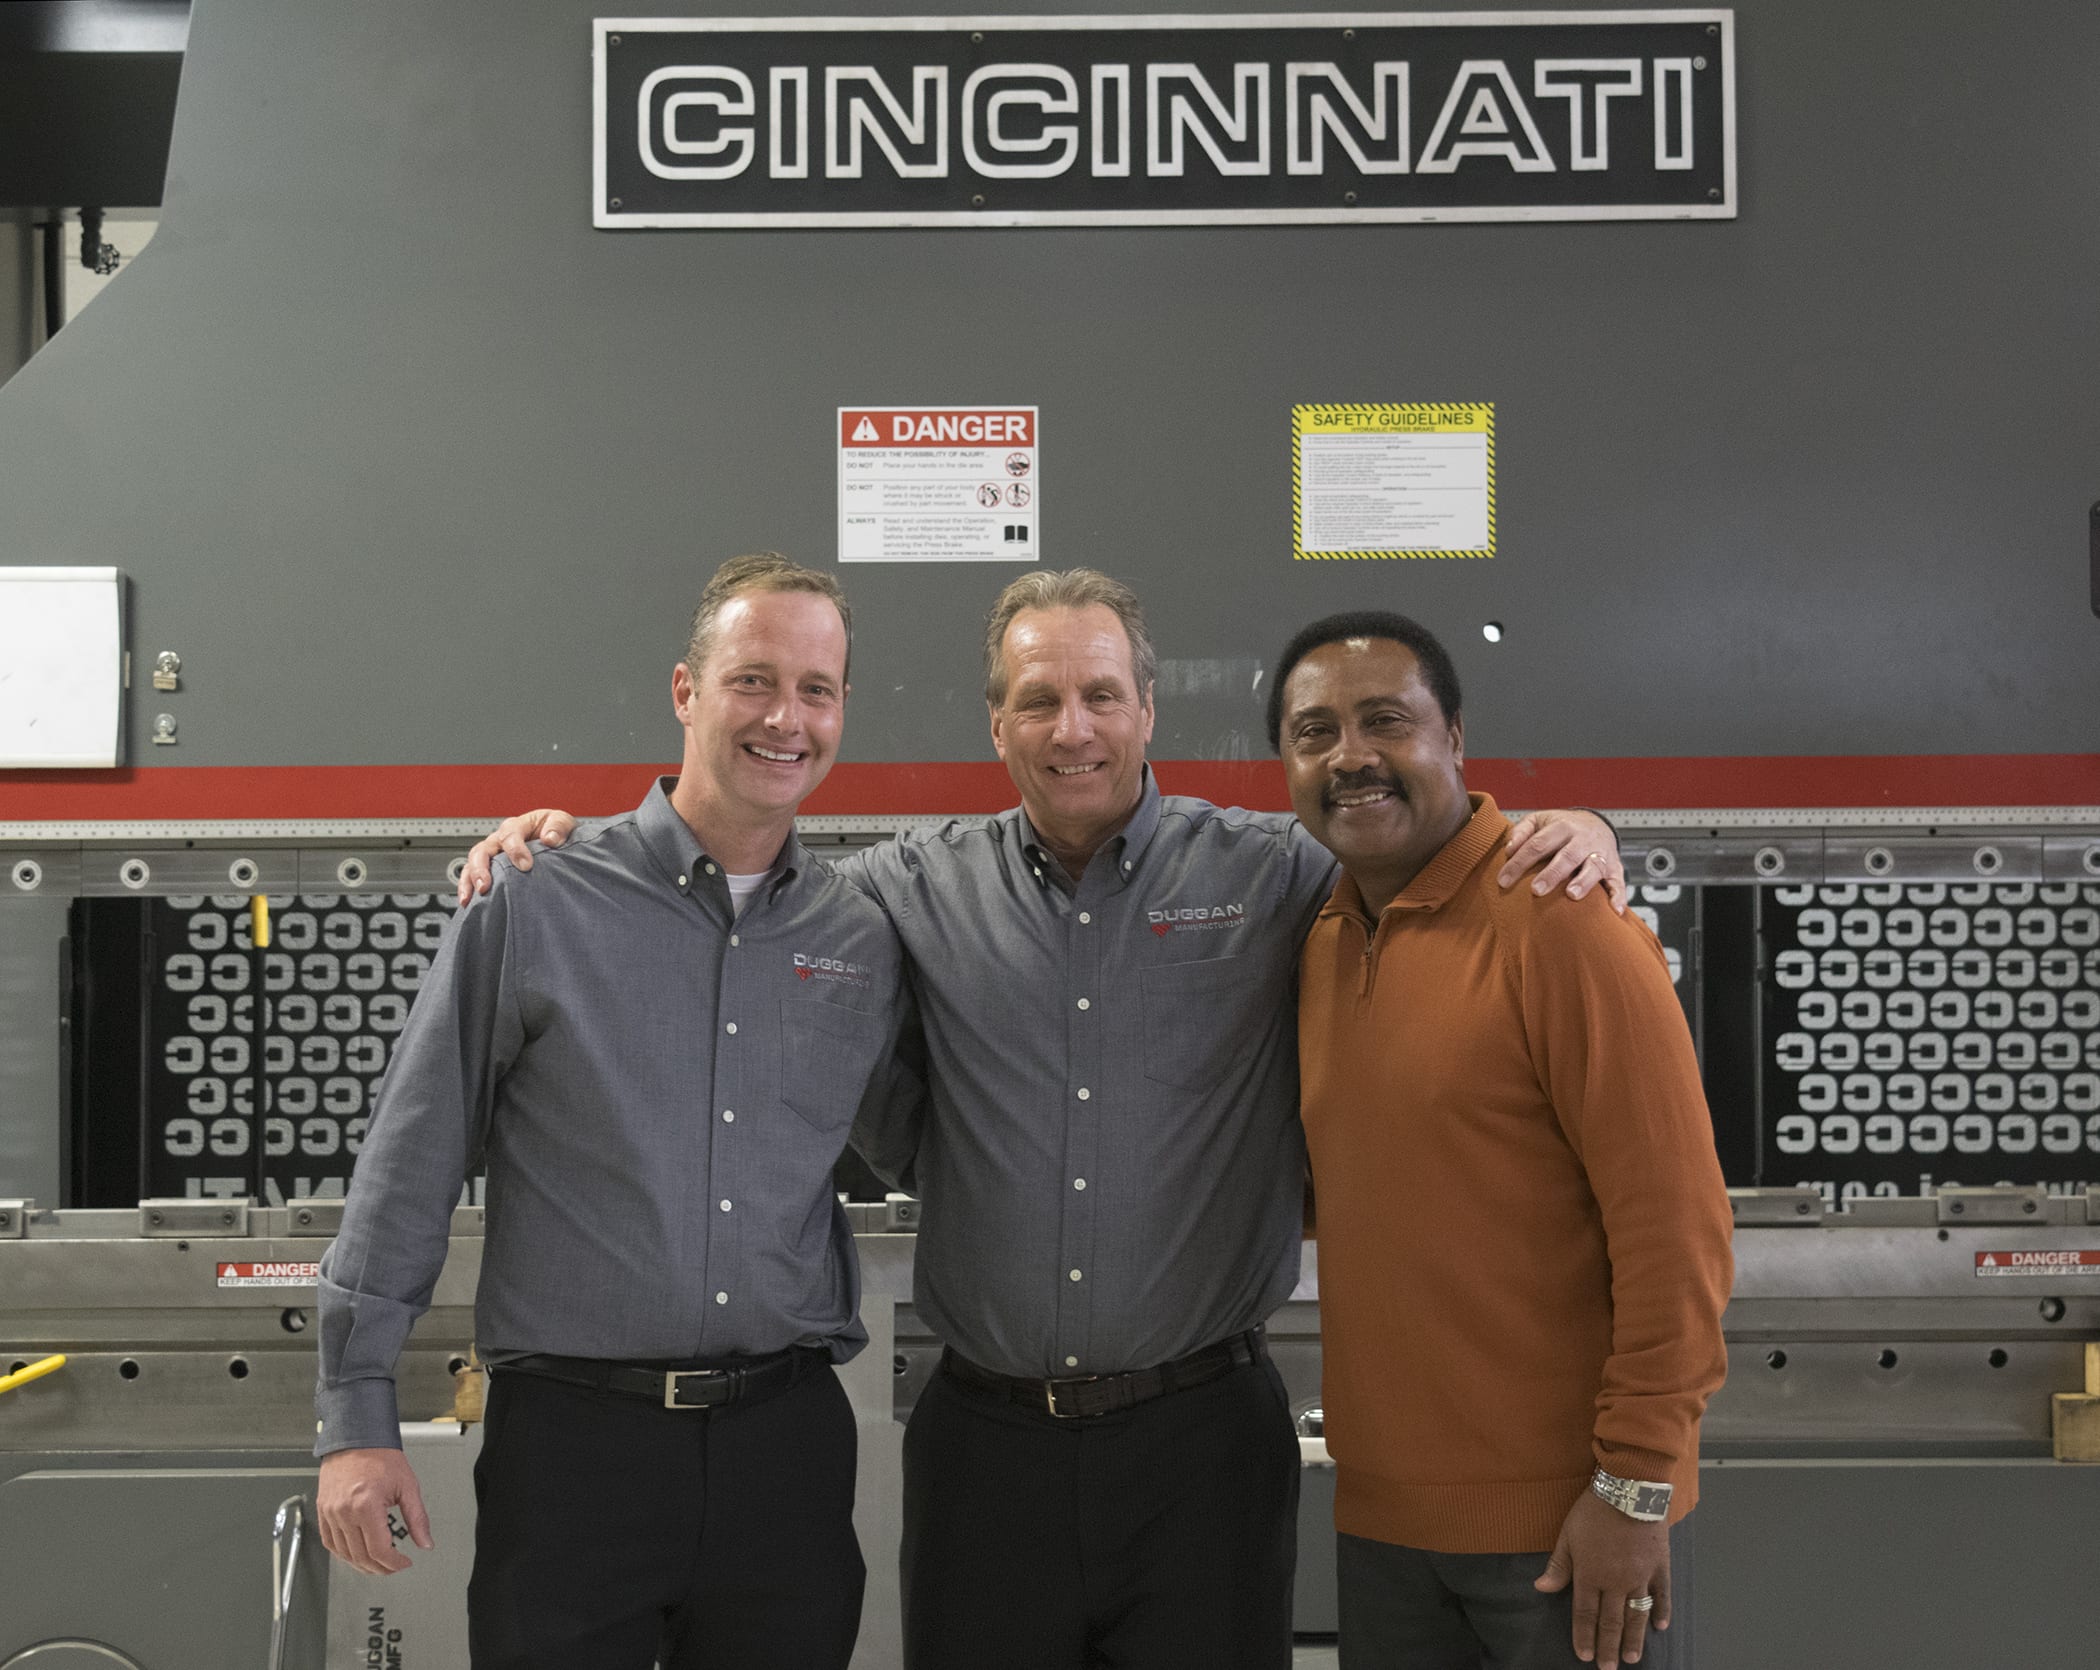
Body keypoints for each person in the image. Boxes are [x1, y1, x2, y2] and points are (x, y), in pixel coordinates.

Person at [463, 568, 1625, 1670]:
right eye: (1039, 700)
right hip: (986, 1450)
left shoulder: (1276, 872)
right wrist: (565, 847)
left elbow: (1423, 856)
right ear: (998, 724)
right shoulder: (901, 888)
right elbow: (737, 891)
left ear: (1147, 708)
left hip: (1203, 1446)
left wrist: (1577, 824)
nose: (1073, 727)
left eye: (1100, 694)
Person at [315, 554, 909, 1670]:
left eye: (817, 689)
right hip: (576, 1448)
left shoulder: (858, 935)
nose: (787, 717)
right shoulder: (535, 895)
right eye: (754, 680)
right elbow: (411, 1159)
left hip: (785, 1445)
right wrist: (356, 1418)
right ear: (686, 691)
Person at [1270, 609, 1733, 1670]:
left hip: (1565, 1530)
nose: (1351, 756)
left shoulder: (1564, 922)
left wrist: (1633, 1485)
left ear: (1456, 738)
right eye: (1315, 731)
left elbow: (1679, 1232)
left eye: (1386, 719)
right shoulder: (1324, 937)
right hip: (1385, 1525)